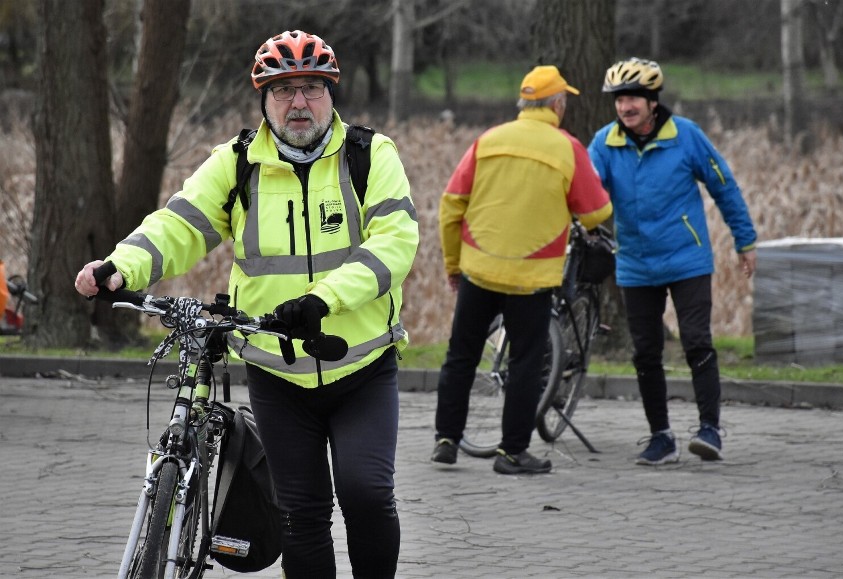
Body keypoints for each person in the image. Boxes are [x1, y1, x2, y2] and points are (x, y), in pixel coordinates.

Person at [74, 29, 418, 579]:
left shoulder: (369, 156)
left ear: (332, 95)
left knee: (367, 494)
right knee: (300, 514)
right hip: (276, 373)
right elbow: (179, 224)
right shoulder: (237, 164)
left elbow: (395, 243)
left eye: (311, 88)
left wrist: (322, 300)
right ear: (264, 100)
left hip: (361, 366)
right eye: (283, 91)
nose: (298, 102)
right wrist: (121, 266)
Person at [431, 65, 613, 475]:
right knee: (527, 362)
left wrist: (454, 264)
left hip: (479, 270)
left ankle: (446, 439)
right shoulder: (567, 148)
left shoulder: (488, 141)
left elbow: (451, 204)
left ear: (523, 103)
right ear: (558, 104)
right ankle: (512, 452)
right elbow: (598, 211)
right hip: (532, 277)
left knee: (461, 355)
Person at [588, 58, 757, 465]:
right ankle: (660, 436)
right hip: (635, 264)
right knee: (645, 352)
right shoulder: (605, 143)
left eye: (632, 99)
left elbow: (724, 186)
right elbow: (588, 194)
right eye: (619, 100)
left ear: (652, 101)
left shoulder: (686, 136)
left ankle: (709, 430)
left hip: (686, 260)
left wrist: (745, 239)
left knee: (697, 342)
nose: (625, 107)